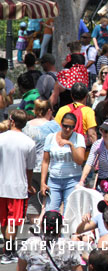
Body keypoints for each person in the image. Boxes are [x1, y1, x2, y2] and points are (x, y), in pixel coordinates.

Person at [0, 110, 36, 264]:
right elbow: (29, 168)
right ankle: (8, 251)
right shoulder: (29, 142)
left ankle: (8, 250)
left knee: (4, 221)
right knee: (12, 222)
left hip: (2, 186)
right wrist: (29, 185)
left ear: (12, 121)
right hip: (18, 188)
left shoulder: (1, 138)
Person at [40, 112, 86, 212]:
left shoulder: (78, 138)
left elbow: (79, 161)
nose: (68, 129)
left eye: (71, 127)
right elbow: (45, 161)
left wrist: (71, 145)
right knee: (50, 211)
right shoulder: (50, 137)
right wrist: (43, 182)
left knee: (70, 212)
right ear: (61, 124)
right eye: (65, 126)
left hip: (72, 180)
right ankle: (53, 228)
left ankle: (67, 228)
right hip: (54, 180)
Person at [23, 100, 60, 222]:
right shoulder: (54, 126)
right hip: (48, 166)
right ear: (49, 110)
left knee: (33, 198)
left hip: (30, 166)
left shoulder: (27, 125)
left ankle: (36, 224)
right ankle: (44, 225)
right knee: (47, 197)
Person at [17, 211, 83, 271]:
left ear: (42, 226)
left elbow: (20, 268)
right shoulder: (68, 245)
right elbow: (77, 268)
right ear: (60, 228)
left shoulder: (30, 243)